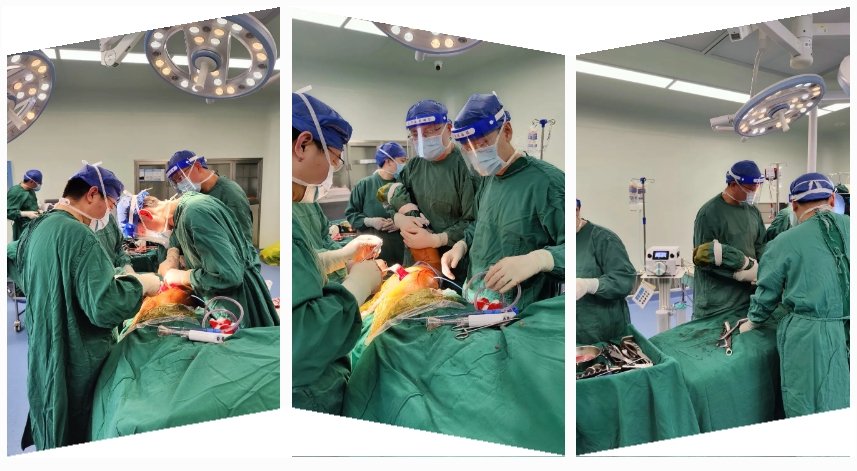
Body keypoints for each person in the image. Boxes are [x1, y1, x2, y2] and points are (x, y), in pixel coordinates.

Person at [15, 163, 161, 450]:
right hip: (74, 352)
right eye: (110, 204)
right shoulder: (79, 235)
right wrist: (140, 285)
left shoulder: (37, 227)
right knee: (75, 420)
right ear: (92, 194)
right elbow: (104, 307)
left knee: (50, 409)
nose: (109, 213)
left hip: (44, 343)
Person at [292, 91, 384, 414]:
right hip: (306, 390)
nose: (333, 170)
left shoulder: (300, 204)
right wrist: (359, 284)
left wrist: (342, 255)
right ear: (303, 145)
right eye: (333, 159)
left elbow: (303, 262)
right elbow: (303, 338)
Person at [441, 92, 564, 310]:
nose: (476, 154)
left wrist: (538, 260)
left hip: (521, 312)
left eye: (482, 143)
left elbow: (580, 248)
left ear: (506, 131)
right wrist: (462, 244)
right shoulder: (489, 178)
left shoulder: (547, 183)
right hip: (477, 300)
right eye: (468, 148)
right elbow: (481, 225)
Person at [740, 173, 849, 417]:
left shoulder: (785, 241)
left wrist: (753, 320)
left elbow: (767, 292)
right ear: (832, 200)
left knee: (808, 402)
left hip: (811, 338)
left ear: (794, 204)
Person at [128, 191, 278, 329]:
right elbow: (178, 235)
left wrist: (183, 276)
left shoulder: (195, 213)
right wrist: (172, 254)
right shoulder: (182, 211)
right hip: (219, 298)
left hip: (237, 302)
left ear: (145, 214)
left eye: (140, 230)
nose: (144, 235)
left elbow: (228, 275)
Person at [387, 99, 478, 283]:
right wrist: (398, 218)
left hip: (453, 265)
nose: (422, 140)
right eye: (415, 134)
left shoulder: (466, 167)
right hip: (415, 259)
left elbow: (475, 221)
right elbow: (394, 195)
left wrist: (437, 239)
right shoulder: (414, 165)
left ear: (448, 128)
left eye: (429, 132)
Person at [691, 160, 766, 319]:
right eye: (749, 188)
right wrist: (739, 273)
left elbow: (760, 246)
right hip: (717, 302)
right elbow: (703, 258)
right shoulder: (709, 213)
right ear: (733, 184)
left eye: (756, 187)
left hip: (747, 298)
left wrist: (763, 270)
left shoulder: (753, 212)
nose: (753, 192)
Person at [575, 199, 636, 344]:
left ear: (576, 210)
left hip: (603, 332)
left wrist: (590, 285)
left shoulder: (603, 238)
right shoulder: (559, 242)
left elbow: (624, 279)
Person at [166, 150, 255, 248]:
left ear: (197, 166)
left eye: (180, 177)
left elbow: (243, 241)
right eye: (176, 181)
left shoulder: (230, 193)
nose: (180, 184)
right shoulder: (197, 195)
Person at [345, 141, 408, 266]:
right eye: (402, 161)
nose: (404, 165)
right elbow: (351, 215)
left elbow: (415, 214)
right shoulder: (364, 185)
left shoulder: (403, 185)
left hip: (401, 250)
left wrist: (400, 223)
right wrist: (370, 221)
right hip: (372, 252)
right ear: (388, 161)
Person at [7, 169, 42, 241]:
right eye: (38, 183)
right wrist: (25, 214)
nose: (39, 185)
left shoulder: (31, 190)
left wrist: (38, 210)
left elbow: (31, 205)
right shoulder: (15, 192)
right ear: (31, 181)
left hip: (32, 226)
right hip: (22, 229)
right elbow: (8, 212)